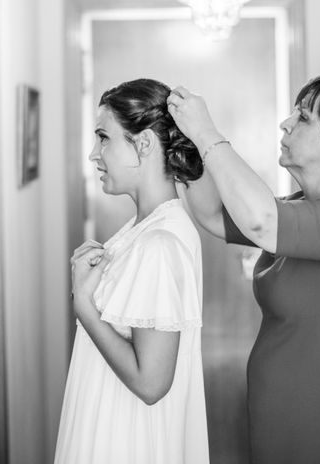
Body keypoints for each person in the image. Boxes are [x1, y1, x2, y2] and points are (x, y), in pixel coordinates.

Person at [167, 69, 320, 464]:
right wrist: (183, 145)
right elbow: (210, 215)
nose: (286, 123)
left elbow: (260, 221)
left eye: (304, 117)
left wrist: (207, 134)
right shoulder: (296, 207)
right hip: (279, 415)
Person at [54, 78, 209, 464]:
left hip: (127, 440)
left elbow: (151, 382)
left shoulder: (159, 244)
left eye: (104, 138)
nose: (94, 154)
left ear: (143, 144)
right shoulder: (140, 232)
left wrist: (85, 306)